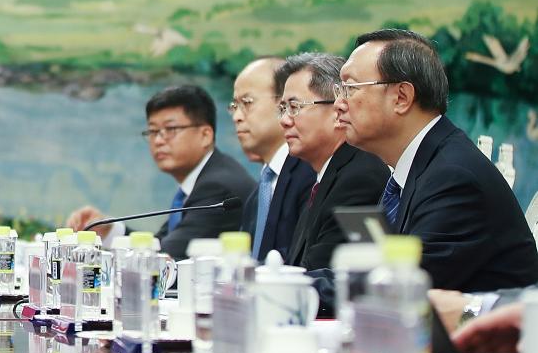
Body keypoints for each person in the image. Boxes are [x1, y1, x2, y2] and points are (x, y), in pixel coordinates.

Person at [336, 28, 538, 292]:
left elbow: (400, 285)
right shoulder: (415, 169)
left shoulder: (454, 177)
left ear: (401, 98)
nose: (338, 103)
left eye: (350, 88)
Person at [68, 85, 253, 259]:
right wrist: (109, 230)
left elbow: (166, 258)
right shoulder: (199, 182)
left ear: (205, 135)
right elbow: (161, 243)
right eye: (153, 131)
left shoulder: (218, 187)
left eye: (171, 129)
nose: (158, 140)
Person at [276, 52, 389, 272]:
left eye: (295, 107)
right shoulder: (327, 175)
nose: (284, 121)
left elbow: (325, 273)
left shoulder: (359, 178)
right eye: (282, 109)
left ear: (337, 110)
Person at [231, 56, 315, 262]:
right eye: (234, 106)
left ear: (284, 103)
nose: (237, 117)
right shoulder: (259, 192)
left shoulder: (310, 172)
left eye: (247, 103)